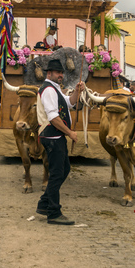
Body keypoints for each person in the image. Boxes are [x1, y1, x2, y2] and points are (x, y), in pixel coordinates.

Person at [36, 59, 85, 225]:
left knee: (64, 169)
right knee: (57, 174)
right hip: (52, 136)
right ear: (49, 73)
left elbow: (70, 102)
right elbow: (53, 117)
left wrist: (77, 91)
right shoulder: (49, 90)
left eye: (62, 73)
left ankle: (44, 204)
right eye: (58, 72)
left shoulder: (54, 89)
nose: (61, 76)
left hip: (55, 136)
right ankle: (53, 213)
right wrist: (70, 132)